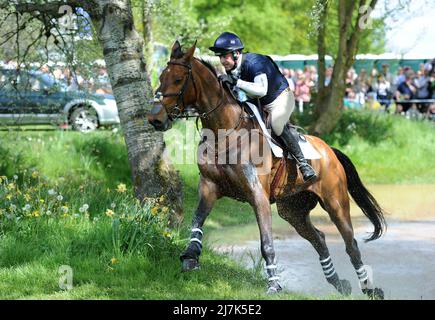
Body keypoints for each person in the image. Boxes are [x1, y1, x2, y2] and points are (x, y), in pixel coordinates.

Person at [209, 32, 316, 182]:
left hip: (280, 99)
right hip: (257, 102)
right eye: (220, 56)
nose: (222, 60)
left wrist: (236, 82)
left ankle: (303, 164)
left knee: (276, 124)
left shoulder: (255, 62)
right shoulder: (231, 66)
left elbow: (261, 90)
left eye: (225, 56)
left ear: (236, 53)